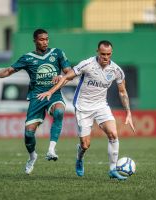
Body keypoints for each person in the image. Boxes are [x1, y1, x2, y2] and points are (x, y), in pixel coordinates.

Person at [37, 40, 135, 180]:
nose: (105, 57)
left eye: (108, 54)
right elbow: (66, 77)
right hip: (83, 107)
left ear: (111, 53)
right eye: (102, 54)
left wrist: (128, 113)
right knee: (85, 144)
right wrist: (51, 92)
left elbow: (123, 92)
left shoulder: (116, 70)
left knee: (113, 134)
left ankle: (113, 169)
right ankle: (79, 158)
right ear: (97, 52)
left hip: (101, 105)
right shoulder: (87, 64)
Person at [0, 29, 71, 175]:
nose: (45, 42)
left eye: (47, 39)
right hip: (37, 97)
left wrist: (61, 76)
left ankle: (51, 149)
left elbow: (70, 72)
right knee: (29, 134)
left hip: (53, 94)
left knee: (60, 111)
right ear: (35, 41)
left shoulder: (57, 53)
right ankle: (32, 156)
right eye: (42, 39)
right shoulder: (27, 58)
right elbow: (9, 71)